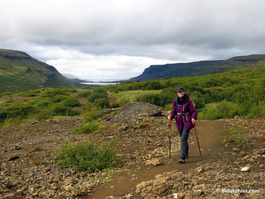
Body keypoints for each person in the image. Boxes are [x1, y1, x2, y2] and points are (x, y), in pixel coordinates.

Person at [168, 87, 197, 164]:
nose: (180, 93)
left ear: (184, 92)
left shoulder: (189, 101)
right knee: (183, 138)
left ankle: (182, 157)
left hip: (187, 121)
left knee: (183, 138)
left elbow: (194, 111)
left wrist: (193, 118)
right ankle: (186, 153)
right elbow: (173, 111)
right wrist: (171, 115)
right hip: (179, 122)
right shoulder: (175, 102)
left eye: (181, 92)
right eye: (178, 92)